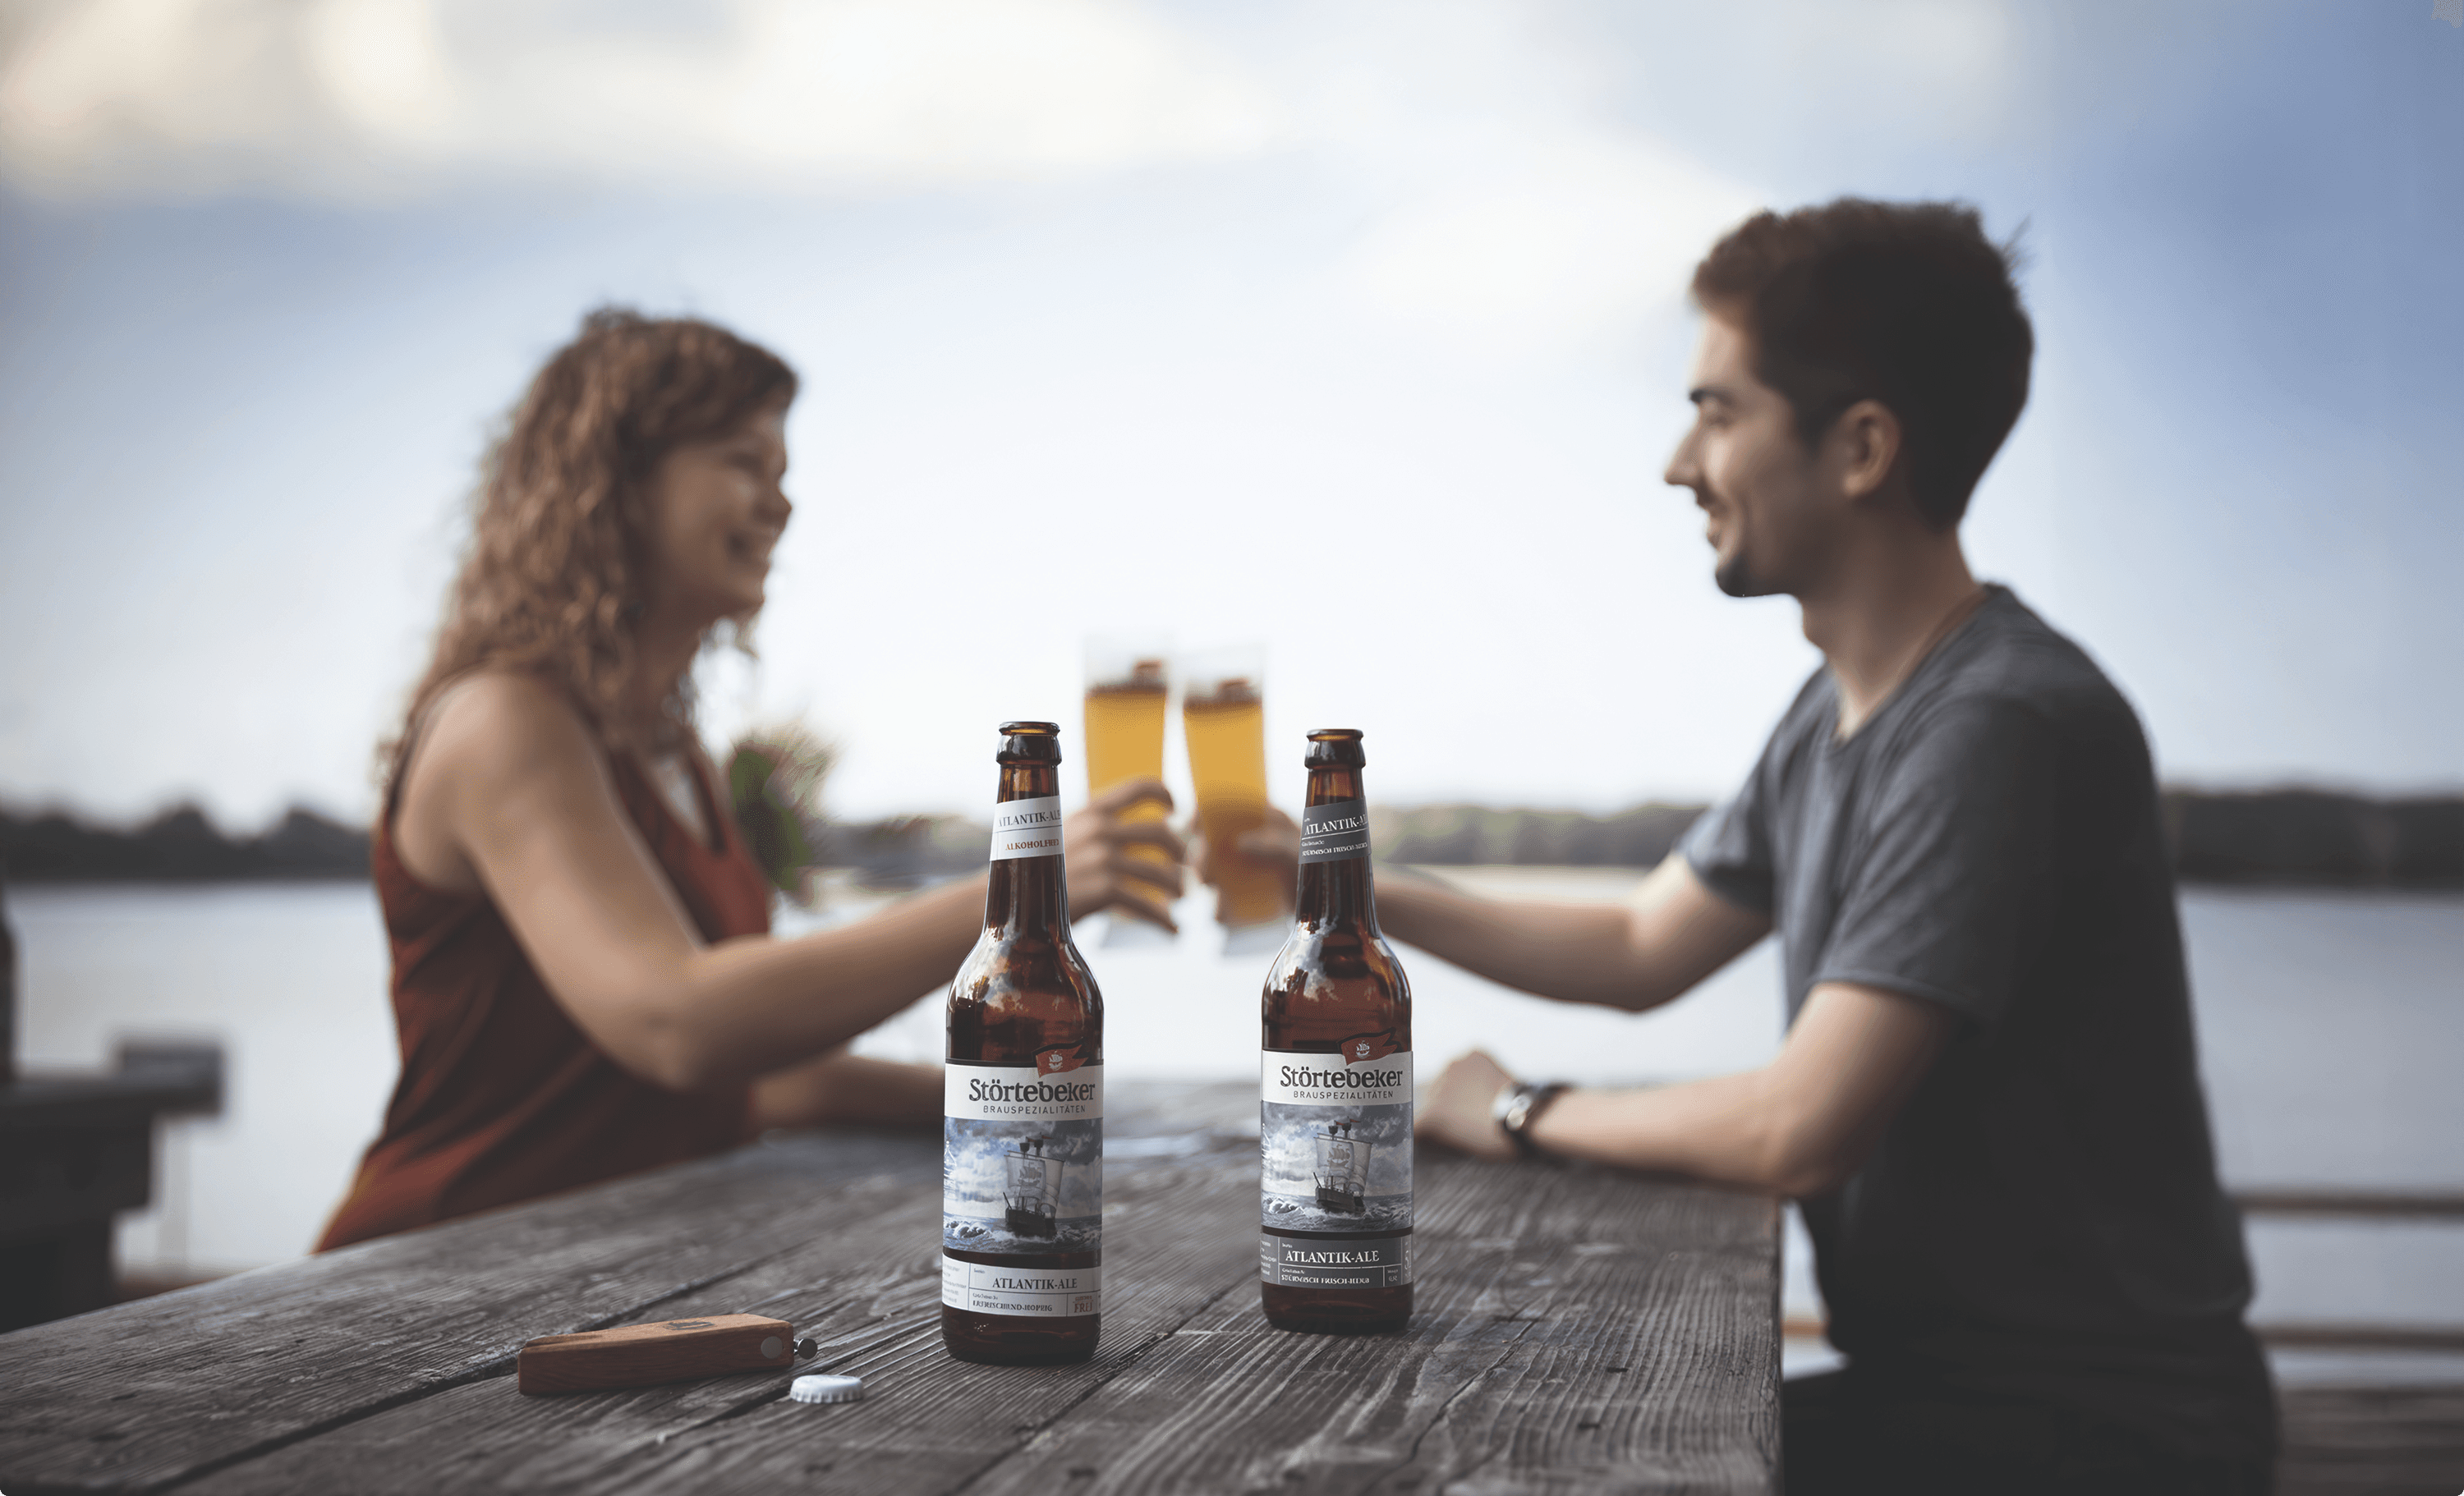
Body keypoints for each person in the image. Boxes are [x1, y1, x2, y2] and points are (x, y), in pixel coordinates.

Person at [1227, 200, 2274, 1493]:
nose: (1680, 462)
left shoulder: (1997, 723)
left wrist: (1507, 1111)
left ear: (1862, 450)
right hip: (1956, 1401)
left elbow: (1797, 1127)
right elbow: (1637, 945)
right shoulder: (1841, 708)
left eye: (1719, 412)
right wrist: (1337, 885)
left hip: (2101, 1441)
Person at [318, 310, 1179, 1250]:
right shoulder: (504, 722)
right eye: (741, 462)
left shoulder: (677, 753)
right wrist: (1022, 895)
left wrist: (1038, 1105)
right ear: (615, 485)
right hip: (431, 1275)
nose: (781, 505)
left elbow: (768, 1079)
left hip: (602, 1268)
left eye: (782, 475)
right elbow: (678, 1020)